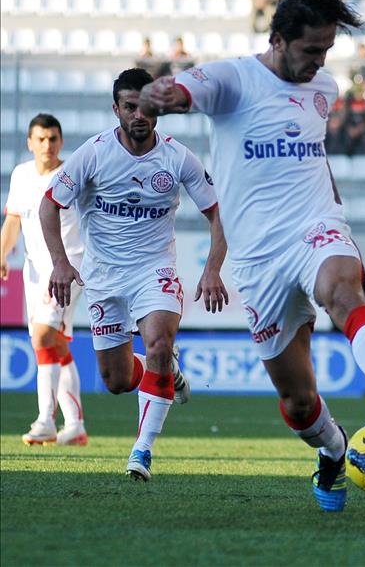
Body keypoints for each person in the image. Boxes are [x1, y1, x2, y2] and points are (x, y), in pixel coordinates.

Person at [136, 0, 365, 513]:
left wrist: (333, 209)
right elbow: (184, 91)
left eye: (327, 51)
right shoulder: (234, 78)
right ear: (279, 39)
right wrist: (162, 95)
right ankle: (335, 452)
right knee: (297, 400)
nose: (320, 62)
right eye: (312, 50)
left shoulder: (324, 90)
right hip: (256, 259)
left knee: (344, 292)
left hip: (315, 225)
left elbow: (312, 153)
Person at [41, 68, 229, 482]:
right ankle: (164, 372)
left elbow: (219, 214)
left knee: (160, 342)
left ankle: (142, 451)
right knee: (116, 380)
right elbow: (49, 204)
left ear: (157, 107)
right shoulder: (93, 154)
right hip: (104, 276)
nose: (138, 115)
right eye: (129, 107)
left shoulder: (178, 157)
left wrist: (212, 269)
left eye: (145, 106)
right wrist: (59, 260)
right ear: (117, 109)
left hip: (154, 270)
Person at [1, 114, 88, 446]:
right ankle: (75, 423)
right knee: (52, 342)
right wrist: (2, 254)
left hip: (67, 268)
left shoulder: (72, 176)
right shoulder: (21, 174)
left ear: (61, 141)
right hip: (34, 270)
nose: (47, 145)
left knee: (41, 336)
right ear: (30, 142)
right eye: (40, 139)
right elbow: (13, 220)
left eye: (53, 138)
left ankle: (45, 420)